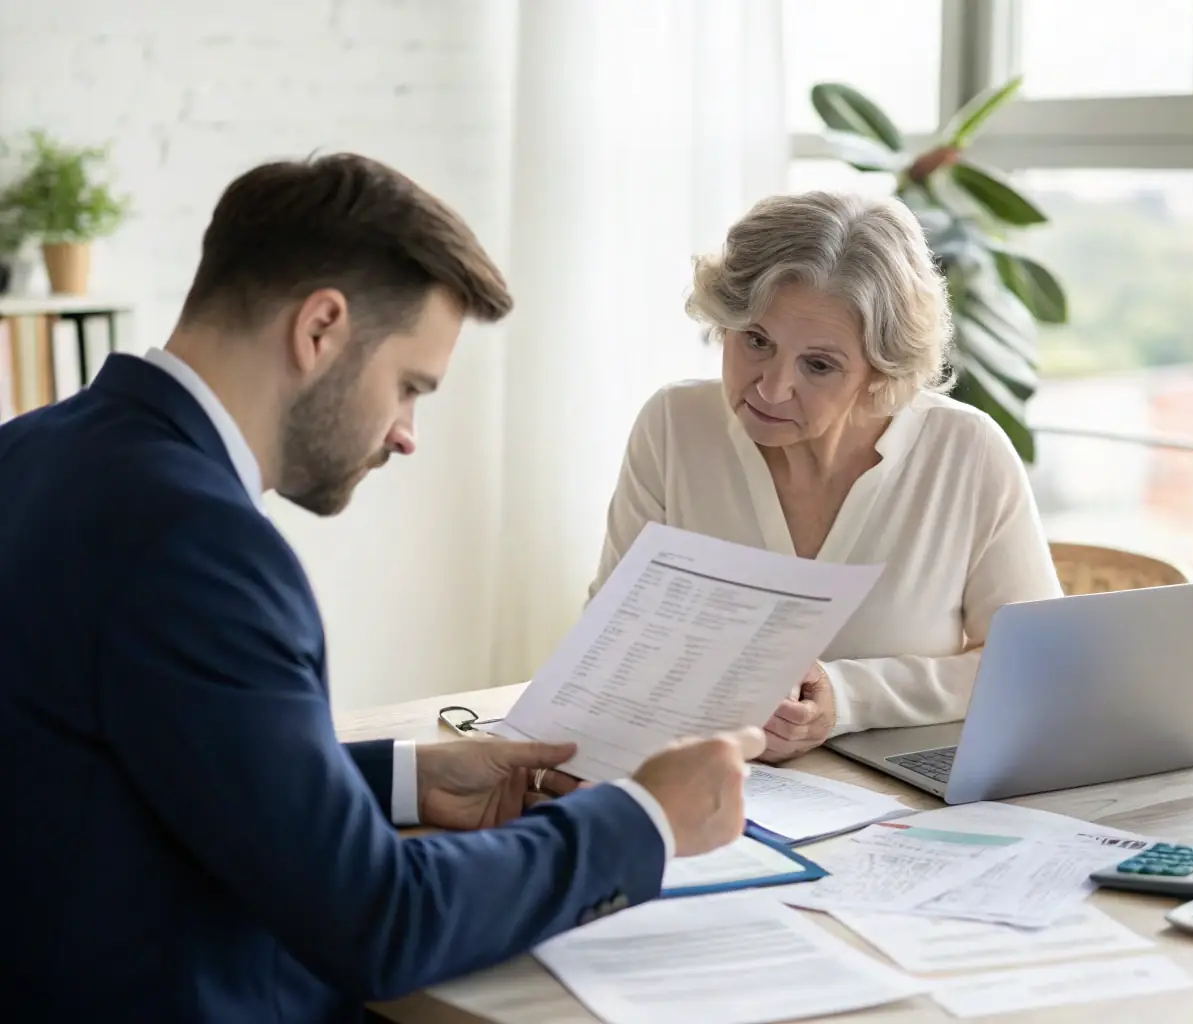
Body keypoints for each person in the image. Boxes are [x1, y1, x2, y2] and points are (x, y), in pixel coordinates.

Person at [0, 153, 763, 1023]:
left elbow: (144, 767)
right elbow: (379, 922)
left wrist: (401, 779)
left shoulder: (32, 451)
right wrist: (644, 820)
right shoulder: (199, 542)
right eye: (409, 387)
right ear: (321, 328)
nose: (407, 436)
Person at [589, 190, 1063, 764]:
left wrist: (849, 697)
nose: (771, 387)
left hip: (897, 808)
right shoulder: (674, 426)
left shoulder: (966, 452)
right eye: (756, 341)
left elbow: (1032, 665)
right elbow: (609, 638)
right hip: (701, 791)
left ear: (880, 372)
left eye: (818, 364)